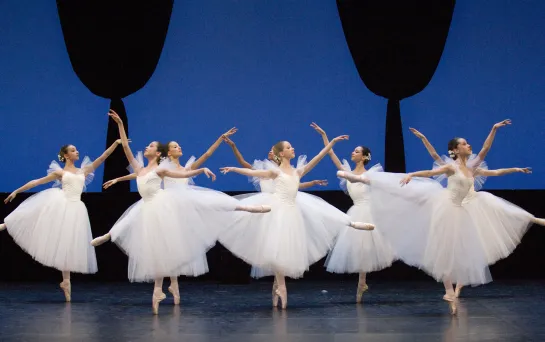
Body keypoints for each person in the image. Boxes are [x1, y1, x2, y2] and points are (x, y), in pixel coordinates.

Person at [219, 134, 375, 309]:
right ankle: (282, 287)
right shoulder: (275, 171)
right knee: (277, 248)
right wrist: (233, 169)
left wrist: (330, 143)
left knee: (287, 247)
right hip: (277, 211)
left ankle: (278, 287)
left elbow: (317, 158)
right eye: (288, 147)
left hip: (292, 211)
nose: (292, 149)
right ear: (281, 153)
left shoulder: (297, 171)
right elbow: (252, 171)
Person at [1, 139, 123, 301]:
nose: (77, 152)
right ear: (66, 155)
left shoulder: (83, 171)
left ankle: (66, 282)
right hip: (62, 204)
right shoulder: (60, 173)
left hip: (76, 208)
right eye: (73, 150)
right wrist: (17, 190)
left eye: (76, 149)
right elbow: (36, 182)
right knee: (35, 210)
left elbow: (103, 157)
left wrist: (116, 143)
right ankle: (5, 224)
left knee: (68, 244)